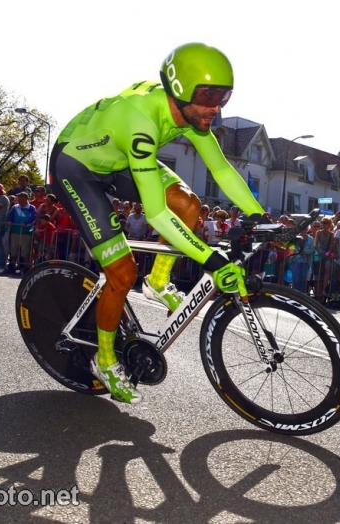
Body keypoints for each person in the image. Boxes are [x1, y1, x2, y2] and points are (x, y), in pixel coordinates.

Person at [48, 42, 265, 404]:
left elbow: (223, 170)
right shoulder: (142, 123)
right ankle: (105, 360)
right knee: (122, 273)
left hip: (118, 160)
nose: (216, 107)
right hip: (77, 167)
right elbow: (156, 215)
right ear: (179, 90)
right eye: (208, 96)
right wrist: (209, 259)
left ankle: (159, 281)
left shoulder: (190, 115)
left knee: (188, 203)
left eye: (224, 97)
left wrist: (259, 215)